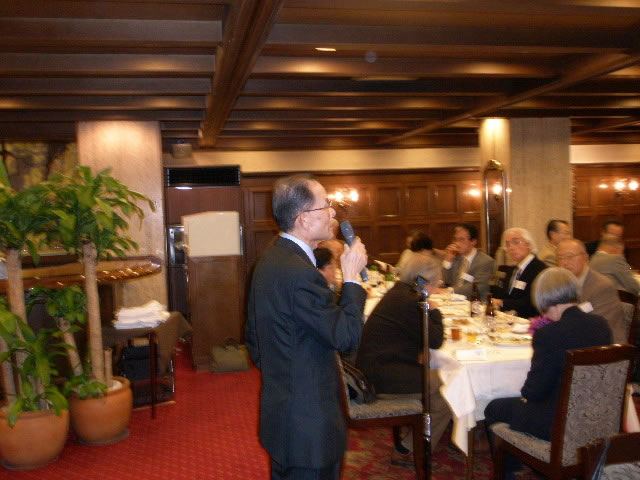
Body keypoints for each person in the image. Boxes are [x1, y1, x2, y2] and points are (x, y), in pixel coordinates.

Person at [246, 174, 368, 480]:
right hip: (308, 425)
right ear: (303, 219)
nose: (333, 212)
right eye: (325, 205)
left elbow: (255, 341)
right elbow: (347, 338)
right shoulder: (301, 274)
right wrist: (351, 279)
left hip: (284, 414)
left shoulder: (270, 260)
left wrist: (284, 375)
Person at [484, 268, 612, 478]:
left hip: (557, 424)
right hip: (596, 416)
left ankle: (524, 470)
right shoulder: (601, 325)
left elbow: (534, 392)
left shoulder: (548, 334)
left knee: (494, 408)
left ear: (545, 300)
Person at [355, 253, 452, 464]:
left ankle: (419, 436)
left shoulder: (401, 292)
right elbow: (435, 340)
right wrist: (435, 310)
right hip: (380, 376)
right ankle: (408, 449)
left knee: (443, 381)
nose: (436, 288)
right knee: (449, 390)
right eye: (436, 283)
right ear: (425, 281)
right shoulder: (411, 300)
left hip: (377, 366)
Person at [556, 238, 627, 343]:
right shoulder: (561, 284)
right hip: (574, 338)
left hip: (605, 346)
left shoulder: (602, 287)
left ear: (585, 258)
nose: (564, 262)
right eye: (560, 258)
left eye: (570, 257)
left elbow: (598, 328)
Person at [491, 227, 547, 319]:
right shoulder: (512, 269)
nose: (511, 248)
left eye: (516, 242)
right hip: (508, 319)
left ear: (528, 244)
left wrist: (502, 302)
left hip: (529, 321)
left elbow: (533, 302)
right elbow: (505, 295)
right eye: (507, 244)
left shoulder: (540, 269)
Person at [441, 223, 494, 300]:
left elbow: (478, 286)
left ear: (473, 241)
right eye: (455, 239)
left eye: (461, 239)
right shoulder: (456, 258)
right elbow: (446, 280)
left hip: (475, 302)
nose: (457, 243)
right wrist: (448, 261)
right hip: (455, 300)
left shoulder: (485, 261)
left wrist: (449, 290)